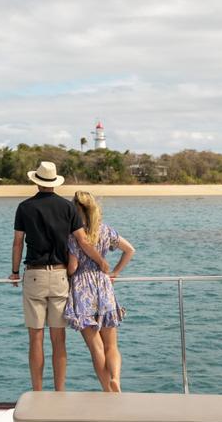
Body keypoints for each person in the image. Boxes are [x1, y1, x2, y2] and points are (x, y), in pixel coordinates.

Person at [8, 161, 110, 391]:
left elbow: (17, 243)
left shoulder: (24, 207)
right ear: (54, 182)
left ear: (36, 181)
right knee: (58, 339)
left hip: (34, 276)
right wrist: (101, 262)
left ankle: (37, 391)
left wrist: (15, 272)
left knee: (35, 339)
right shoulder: (68, 208)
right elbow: (83, 241)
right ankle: (59, 391)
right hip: (60, 276)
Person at [64, 190, 135, 392]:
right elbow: (130, 250)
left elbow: (73, 267)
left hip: (82, 289)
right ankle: (116, 380)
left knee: (96, 347)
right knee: (111, 346)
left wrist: (68, 274)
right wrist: (115, 272)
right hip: (103, 286)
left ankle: (107, 390)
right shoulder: (105, 230)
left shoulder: (74, 235)